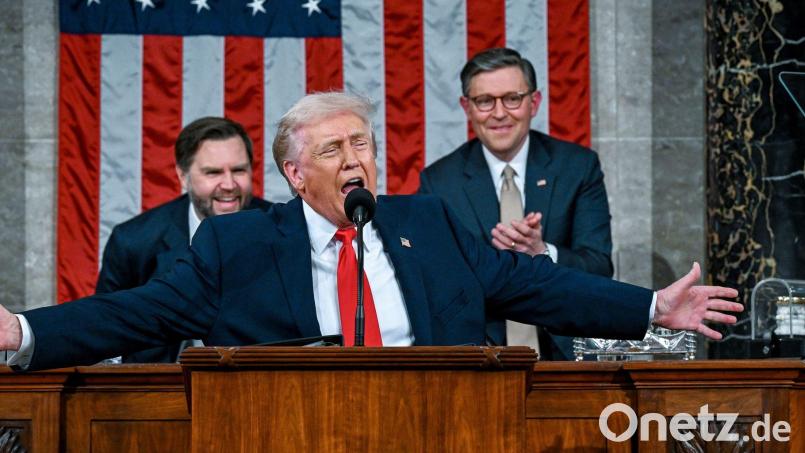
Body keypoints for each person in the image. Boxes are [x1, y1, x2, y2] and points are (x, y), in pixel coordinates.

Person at [0, 92, 741, 372]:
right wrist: (25, 333)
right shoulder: (239, 244)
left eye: (361, 145)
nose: (354, 159)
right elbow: (138, 312)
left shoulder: (429, 221)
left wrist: (648, 308)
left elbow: (533, 286)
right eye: (332, 150)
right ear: (294, 174)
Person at [419, 48, 611, 360]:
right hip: (479, 356)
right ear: (466, 107)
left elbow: (600, 267)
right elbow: (433, 282)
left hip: (566, 353)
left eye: (512, 98)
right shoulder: (439, 182)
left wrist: (542, 253)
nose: (499, 113)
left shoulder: (577, 167)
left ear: (534, 102)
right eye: (485, 101)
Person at [96, 116, 272, 363]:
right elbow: (106, 328)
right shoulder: (134, 241)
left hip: (258, 384)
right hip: (159, 387)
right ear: (183, 175)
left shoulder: (283, 230)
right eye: (213, 172)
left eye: (239, 170)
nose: (229, 184)